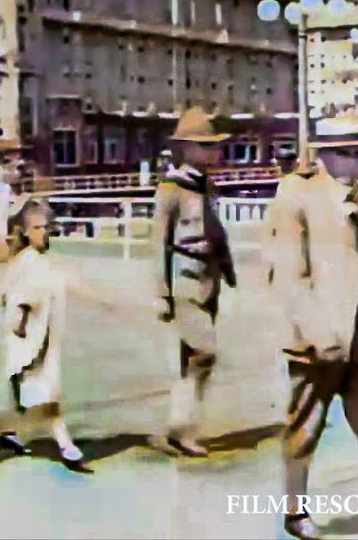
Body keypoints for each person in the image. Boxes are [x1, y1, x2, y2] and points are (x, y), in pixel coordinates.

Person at [266, 124, 358, 540]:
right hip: (316, 336)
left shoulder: (353, 200)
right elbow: (287, 275)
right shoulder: (295, 196)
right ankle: (294, 511)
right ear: (322, 155)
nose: (356, 162)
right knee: (306, 426)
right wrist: (313, 331)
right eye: (346, 153)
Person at [152, 107, 236, 457]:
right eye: (204, 146)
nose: (212, 152)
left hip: (209, 278)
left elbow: (216, 230)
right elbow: (158, 242)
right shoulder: (170, 189)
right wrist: (161, 294)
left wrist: (228, 269)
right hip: (184, 276)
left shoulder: (207, 185)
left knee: (192, 359)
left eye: (212, 146)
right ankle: (180, 426)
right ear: (185, 148)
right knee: (205, 352)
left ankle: (182, 427)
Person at [0, 199, 90, 471]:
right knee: (47, 392)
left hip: (43, 334)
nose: (44, 232)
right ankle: (66, 445)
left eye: (47, 227)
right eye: (37, 227)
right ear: (26, 231)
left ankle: (12, 434)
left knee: (27, 393)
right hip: (30, 336)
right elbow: (18, 298)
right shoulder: (28, 261)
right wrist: (22, 324)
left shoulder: (39, 260)